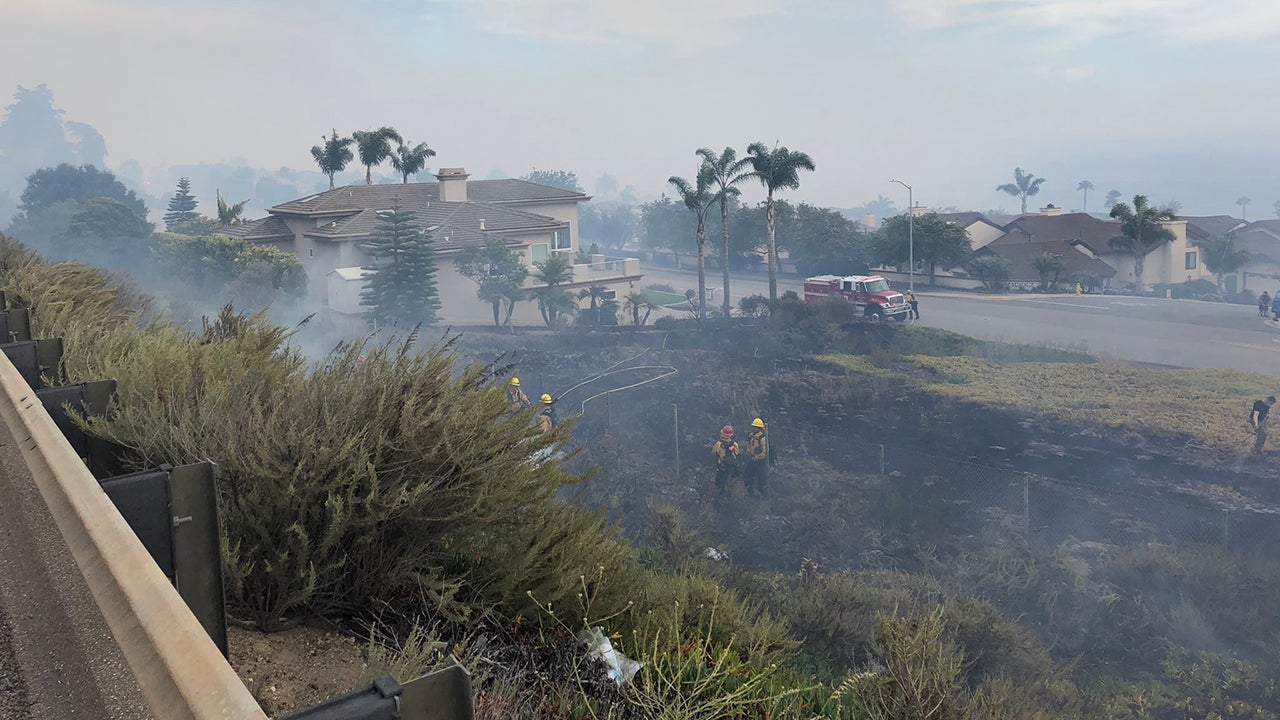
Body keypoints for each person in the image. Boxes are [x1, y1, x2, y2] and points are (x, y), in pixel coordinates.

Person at [744, 418, 769, 497]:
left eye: (756, 427)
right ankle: (750, 493)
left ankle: (763, 496)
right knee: (747, 475)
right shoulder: (751, 436)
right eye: (753, 426)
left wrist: (756, 457)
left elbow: (764, 453)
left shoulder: (762, 438)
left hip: (760, 462)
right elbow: (749, 446)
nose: (754, 428)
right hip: (752, 459)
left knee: (761, 479)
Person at [711, 425, 740, 492]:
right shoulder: (735, 444)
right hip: (732, 467)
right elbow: (737, 453)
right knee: (732, 483)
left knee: (719, 483)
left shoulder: (718, 444)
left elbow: (714, 452)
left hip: (722, 466)